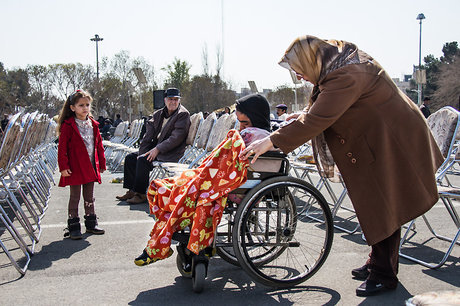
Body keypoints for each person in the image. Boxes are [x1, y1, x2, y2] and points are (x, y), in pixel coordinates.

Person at [241, 35, 443, 297]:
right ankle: (378, 261)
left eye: (299, 68)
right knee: (376, 202)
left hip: (392, 140)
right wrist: (301, 115)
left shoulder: (346, 75)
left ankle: (384, 273)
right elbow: (321, 108)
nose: (299, 76)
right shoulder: (337, 70)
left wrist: (271, 141)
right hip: (376, 138)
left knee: (384, 202)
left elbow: (320, 118)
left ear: (311, 60)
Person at [134, 93, 271, 266]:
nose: (241, 127)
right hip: (232, 180)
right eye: (240, 123)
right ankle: (187, 241)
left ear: (256, 118)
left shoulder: (251, 136)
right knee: (183, 188)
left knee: (174, 190)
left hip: (227, 182)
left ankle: (163, 241)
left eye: (245, 123)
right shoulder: (266, 137)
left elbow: (223, 160)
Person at [116, 88, 191, 204]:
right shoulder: (158, 114)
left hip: (171, 152)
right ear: (165, 100)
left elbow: (176, 138)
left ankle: (140, 194)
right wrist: (143, 151)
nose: (173, 102)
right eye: (170, 99)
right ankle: (131, 190)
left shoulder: (183, 114)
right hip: (156, 149)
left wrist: (157, 149)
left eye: (176, 99)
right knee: (131, 158)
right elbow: (147, 137)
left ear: (179, 100)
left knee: (143, 160)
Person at [57, 89, 107, 240]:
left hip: (90, 165)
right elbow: (62, 147)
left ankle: (91, 223)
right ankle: (73, 226)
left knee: (89, 196)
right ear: (72, 108)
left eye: (87, 105)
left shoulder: (93, 124)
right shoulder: (68, 125)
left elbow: (99, 145)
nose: (85, 108)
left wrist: (102, 162)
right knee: (75, 196)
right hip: (75, 167)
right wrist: (63, 167)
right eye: (81, 105)